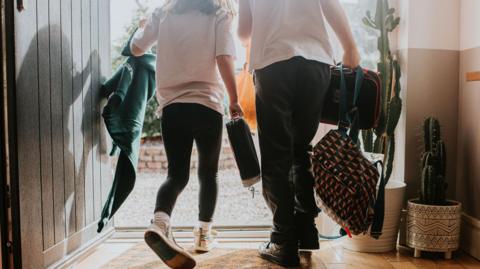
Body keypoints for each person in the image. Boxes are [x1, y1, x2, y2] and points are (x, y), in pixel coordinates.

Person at [238, 0, 361, 266]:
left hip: (273, 63)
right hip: (315, 64)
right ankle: (306, 231)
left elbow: (244, 32)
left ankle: (283, 240)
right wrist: (350, 46)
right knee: (300, 149)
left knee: (276, 156)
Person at [130, 0, 243, 268]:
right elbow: (224, 57)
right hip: (207, 106)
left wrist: (143, 26)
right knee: (209, 172)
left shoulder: (164, 12)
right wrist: (235, 99)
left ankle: (160, 223)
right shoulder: (220, 14)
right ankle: (204, 234)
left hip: (173, 108)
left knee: (176, 174)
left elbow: (136, 48)